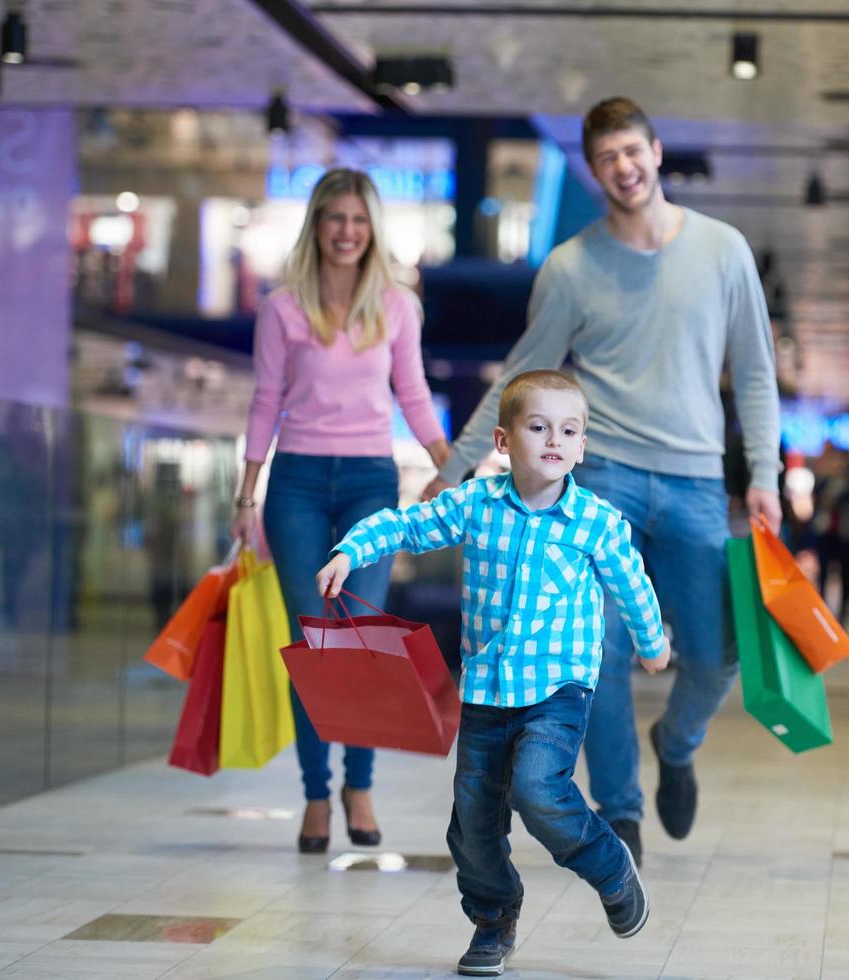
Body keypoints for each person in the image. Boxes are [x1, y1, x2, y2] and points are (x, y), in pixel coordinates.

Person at [422, 97, 781, 864]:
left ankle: (676, 744)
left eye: (633, 150)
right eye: (607, 158)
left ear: (656, 151)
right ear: (593, 172)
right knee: (602, 656)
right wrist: (453, 468)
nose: (624, 167)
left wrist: (767, 473)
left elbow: (753, 371)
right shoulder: (571, 268)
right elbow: (521, 377)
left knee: (717, 652)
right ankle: (620, 812)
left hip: (692, 482)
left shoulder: (723, 251)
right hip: (603, 479)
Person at [317, 371, 669, 977]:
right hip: (486, 688)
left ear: (583, 446)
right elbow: (407, 525)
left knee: (538, 789)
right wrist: (352, 549)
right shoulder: (476, 503)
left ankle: (611, 868)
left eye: (568, 430)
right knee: (472, 825)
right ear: (504, 442)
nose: (554, 440)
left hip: (559, 688)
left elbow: (632, 584)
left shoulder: (596, 521)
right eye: (538, 427)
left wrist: (652, 641)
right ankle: (493, 920)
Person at [230, 168, 450, 854]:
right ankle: (315, 797)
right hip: (294, 482)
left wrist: (455, 467)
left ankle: (360, 783)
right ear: (317, 225)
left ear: (372, 228)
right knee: (312, 644)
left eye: (358, 220)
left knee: (357, 636)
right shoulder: (282, 309)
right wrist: (247, 494)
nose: (347, 232)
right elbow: (265, 400)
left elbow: (413, 396)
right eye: (335, 219)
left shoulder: (397, 307)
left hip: (368, 484)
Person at [811, 447, 849, 623]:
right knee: (823, 575)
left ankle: (843, 616)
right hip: (826, 535)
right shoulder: (822, 481)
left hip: (846, 537)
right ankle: (822, 613)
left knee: (846, 577)